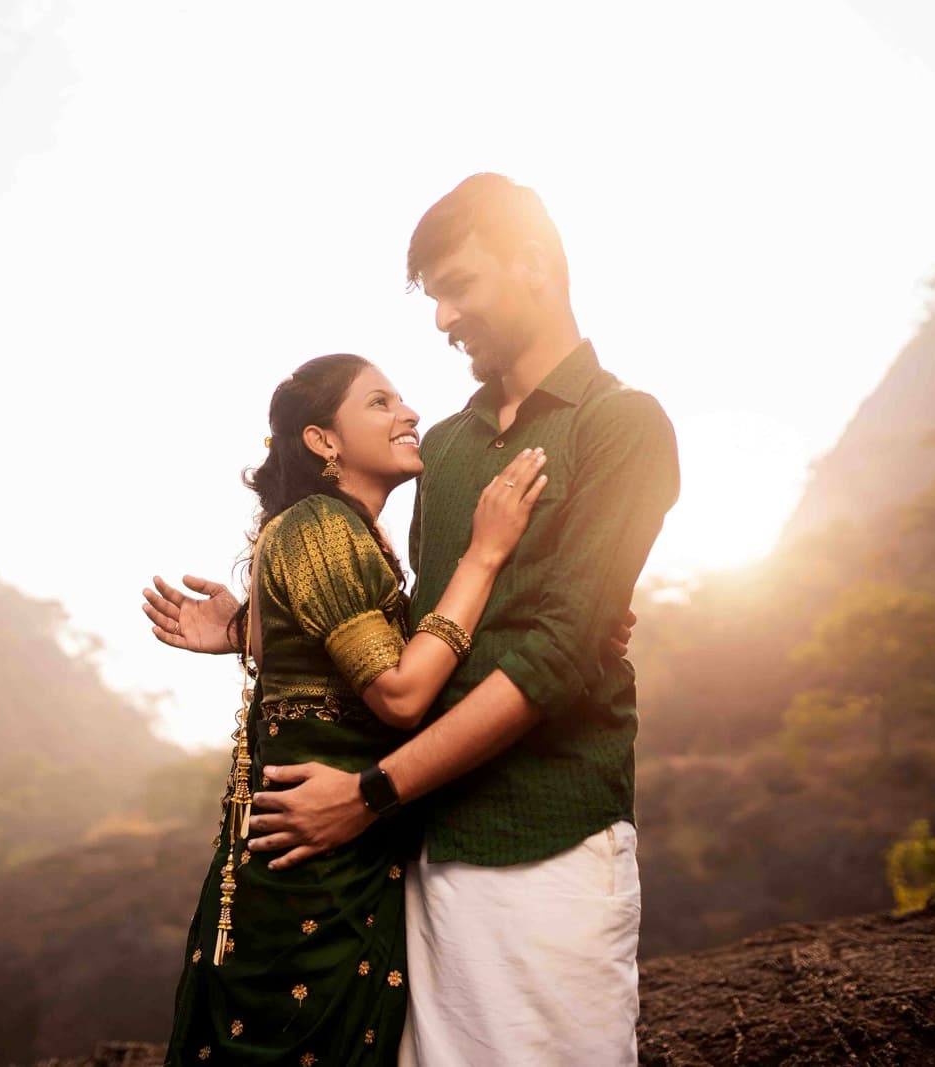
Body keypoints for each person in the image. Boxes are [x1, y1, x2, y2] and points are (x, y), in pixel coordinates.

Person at [161, 174, 681, 1065]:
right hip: (414, 854)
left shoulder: (620, 424)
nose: (442, 317)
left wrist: (367, 795)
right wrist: (256, 628)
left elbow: (553, 655)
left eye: (458, 285)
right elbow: (406, 627)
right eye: (432, 293)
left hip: (541, 835)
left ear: (535, 265)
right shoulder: (441, 448)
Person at [154, 352, 550, 1065]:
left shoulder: (332, 529)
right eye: (379, 402)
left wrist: (251, 627)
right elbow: (400, 693)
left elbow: (326, 667)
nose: (409, 414)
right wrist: (484, 556)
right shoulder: (321, 526)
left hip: (327, 864)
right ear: (322, 439)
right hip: (315, 871)